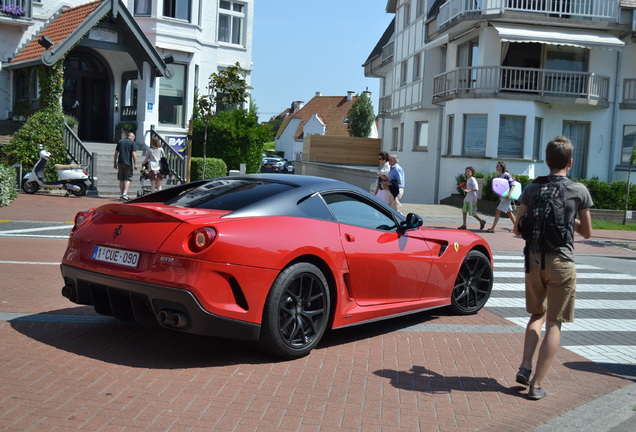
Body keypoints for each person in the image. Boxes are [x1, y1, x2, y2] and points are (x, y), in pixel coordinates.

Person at [512, 136, 593, 400]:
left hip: (533, 260)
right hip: (561, 262)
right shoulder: (578, 190)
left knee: (537, 315)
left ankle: (524, 366)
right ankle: (536, 384)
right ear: (570, 162)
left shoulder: (532, 188)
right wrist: (570, 221)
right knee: (554, 323)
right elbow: (588, 233)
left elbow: (517, 227)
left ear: (547, 161)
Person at [486, 161, 517, 233]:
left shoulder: (506, 175)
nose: (496, 167)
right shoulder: (499, 176)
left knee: (498, 210)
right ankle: (517, 228)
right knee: (509, 213)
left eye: (498, 166)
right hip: (504, 197)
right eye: (496, 165)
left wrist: (509, 194)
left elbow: (513, 184)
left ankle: (492, 228)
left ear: (502, 167)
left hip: (507, 197)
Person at [458, 166, 486, 230]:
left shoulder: (473, 179)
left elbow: (476, 188)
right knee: (464, 211)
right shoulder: (468, 179)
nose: (467, 173)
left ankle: (481, 221)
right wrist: (465, 188)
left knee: (472, 213)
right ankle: (464, 225)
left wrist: (468, 190)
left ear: (472, 172)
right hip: (467, 198)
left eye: (469, 171)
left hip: (472, 199)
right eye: (466, 171)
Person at [114, 132, 138, 201]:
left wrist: (114, 162)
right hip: (128, 163)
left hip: (120, 162)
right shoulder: (132, 143)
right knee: (128, 179)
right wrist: (135, 163)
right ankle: (125, 193)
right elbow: (133, 153)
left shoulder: (120, 142)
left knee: (121, 179)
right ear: (132, 137)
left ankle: (121, 194)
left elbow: (116, 153)